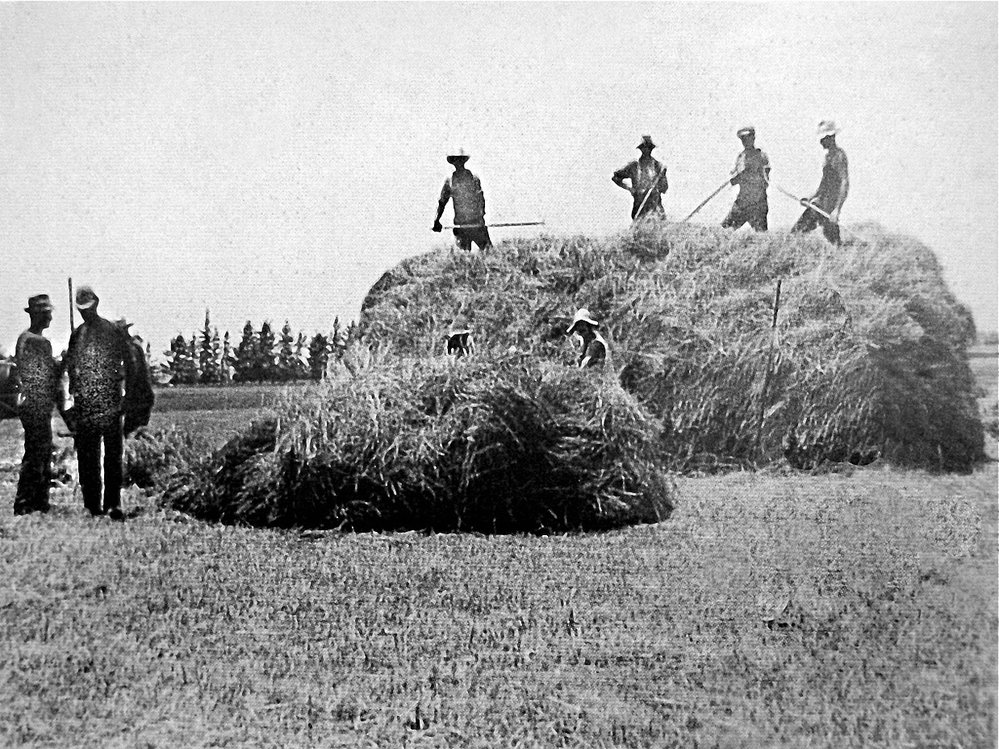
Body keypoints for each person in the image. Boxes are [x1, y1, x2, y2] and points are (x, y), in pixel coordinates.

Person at [63, 286, 131, 520]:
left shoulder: (112, 331)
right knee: (87, 458)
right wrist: (72, 399)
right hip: (86, 405)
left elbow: (128, 364)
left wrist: (126, 398)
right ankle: (92, 505)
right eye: (81, 310)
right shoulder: (77, 335)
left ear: (96, 304)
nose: (85, 313)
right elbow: (71, 370)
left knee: (112, 456)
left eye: (88, 308)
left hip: (111, 402)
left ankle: (113, 504)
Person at [13, 294, 59, 515]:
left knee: (39, 451)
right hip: (37, 403)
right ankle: (28, 502)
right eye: (47, 313)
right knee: (37, 453)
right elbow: (44, 375)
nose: (50, 316)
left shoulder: (25, 338)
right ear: (39, 315)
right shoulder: (37, 341)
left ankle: (37, 501)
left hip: (33, 403)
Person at [791, 120, 849, 245]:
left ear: (830, 137)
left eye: (823, 139)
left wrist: (837, 210)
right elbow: (824, 185)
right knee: (798, 233)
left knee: (798, 233)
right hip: (821, 203)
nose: (820, 142)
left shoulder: (839, 156)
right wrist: (810, 197)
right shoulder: (828, 157)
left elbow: (844, 183)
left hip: (829, 206)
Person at [432, 147, 492, 251]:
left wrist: (481, 215)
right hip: (462, 226)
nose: (458, 163)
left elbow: (481, 199)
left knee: (490, 254)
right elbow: (442, 202)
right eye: (456, 160)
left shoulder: (473, 178)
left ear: (463, 162)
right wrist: (437, 221)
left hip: (476, 224)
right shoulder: (450, 181)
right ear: (453, 163)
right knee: (463, 259)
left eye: (459, 160)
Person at [722, 125, 771, 231]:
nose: (745, 141)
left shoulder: (761, 156)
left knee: (762, 237)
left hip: (758, 204)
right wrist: (733, 178)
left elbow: (765, 181)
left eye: (747, 138)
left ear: (753, 138)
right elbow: (733, 174)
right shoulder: (740, 157)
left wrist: (743, 177)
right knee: (724, 231)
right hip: (742, 203)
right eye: (742, 139)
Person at [612, 135, 669, 220]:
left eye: (649, 148)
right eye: (644, 148)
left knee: (660, 227)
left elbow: (664, 188)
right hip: (639, 206)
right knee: (639, 229)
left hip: (655, 205)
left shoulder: (658, 167)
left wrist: (661, 181)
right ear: (641, 149)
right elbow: (616, 177)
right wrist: (630, 189)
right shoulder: (634, 166)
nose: (647, 150)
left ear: (651, 149)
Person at [115, 319, 155, 436]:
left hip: (137, 394)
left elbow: (133, 373)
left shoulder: (128, 349)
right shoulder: (134, 347)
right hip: (142, 393)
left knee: (131, 428)